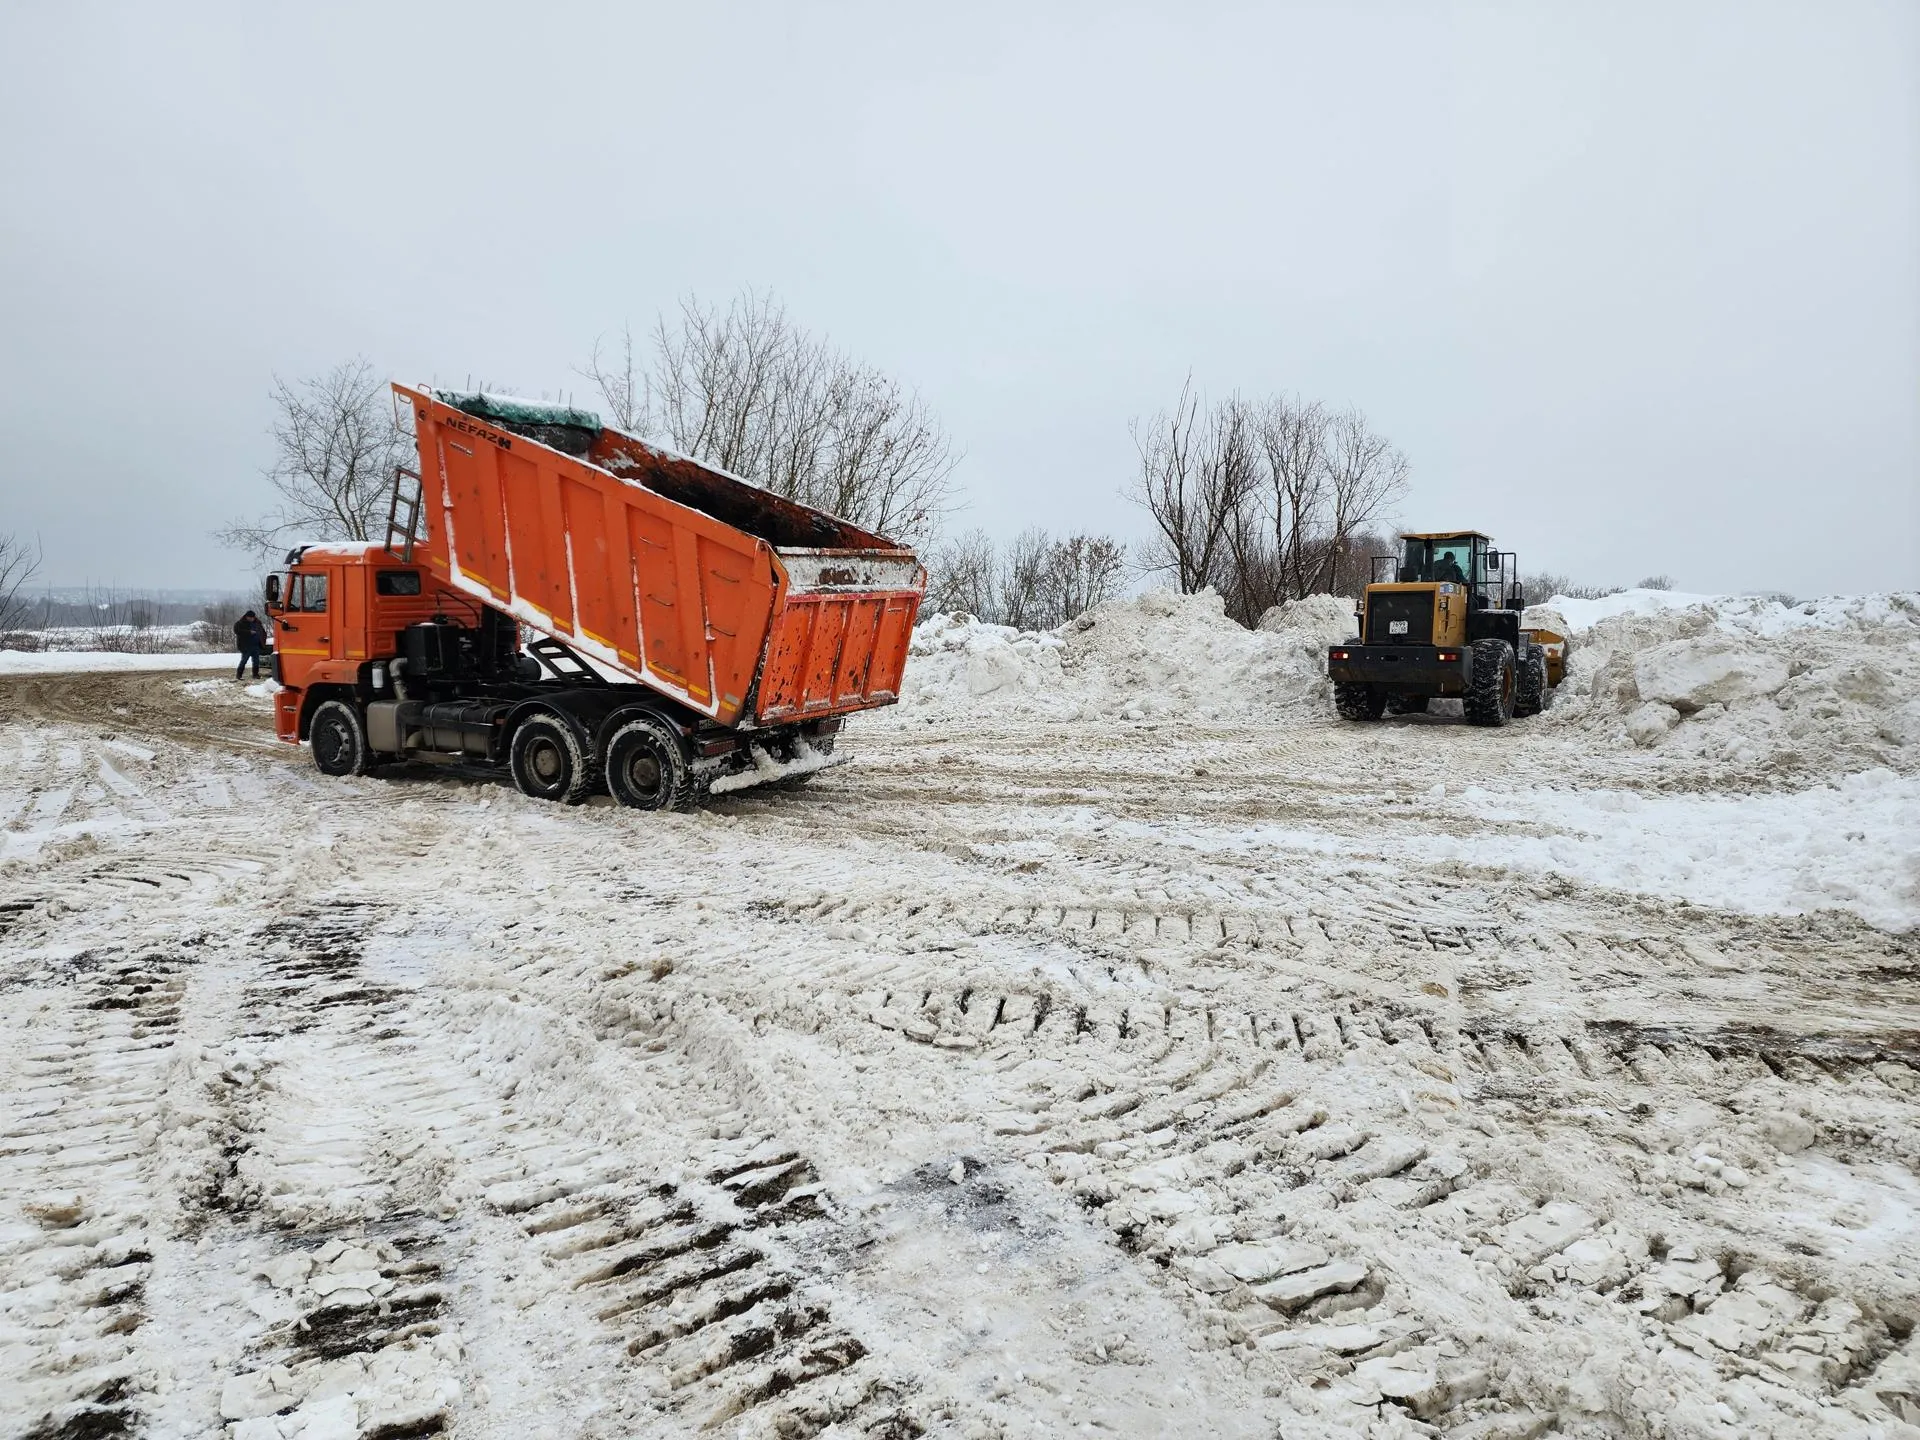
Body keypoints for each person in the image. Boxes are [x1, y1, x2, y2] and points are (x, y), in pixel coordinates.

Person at [234, 610, 267, 680]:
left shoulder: (258, 623)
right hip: (246, 646)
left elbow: (263, 632)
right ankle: (239, 675)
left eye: (253, 617)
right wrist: (249, 632)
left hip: (256, 646)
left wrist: (262, 640)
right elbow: (236, 631)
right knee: (244, 660)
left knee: (256, 661)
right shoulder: (240, 623)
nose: (252, 619)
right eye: (250, 617)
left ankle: (255, 674)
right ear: (246, 617)